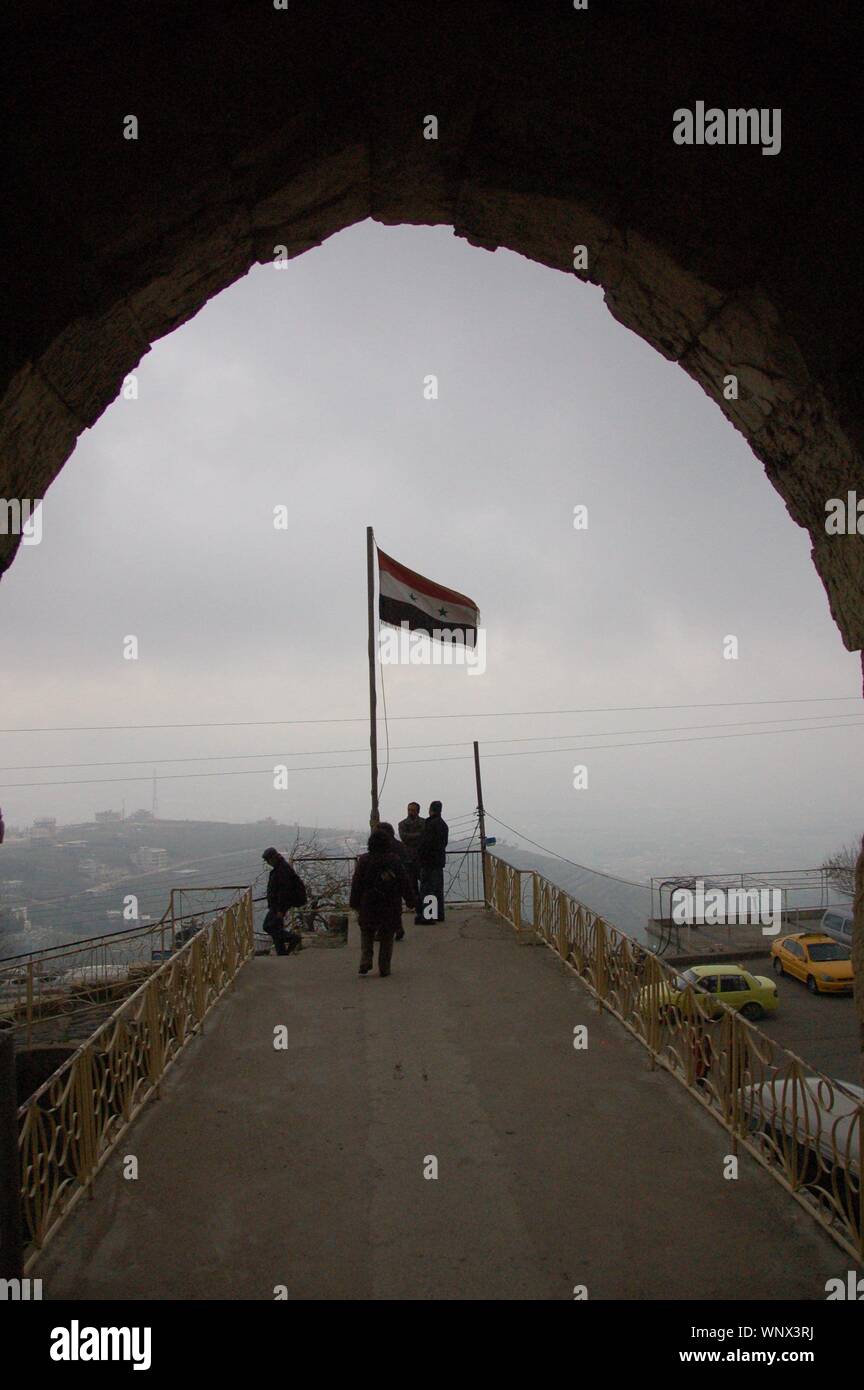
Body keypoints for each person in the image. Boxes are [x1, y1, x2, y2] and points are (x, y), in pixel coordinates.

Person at [349, 827, 415, 976]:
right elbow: (404, 882)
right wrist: (411, 900)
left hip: (368, 902)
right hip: (390, 902)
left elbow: (357, 883)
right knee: (387, 935)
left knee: (367, 930)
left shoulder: (364, 860)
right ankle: (384, 967)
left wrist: (354, 903)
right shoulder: (394, 860)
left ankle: (366, 958)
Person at [261, 847, 306, 956]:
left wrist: (280, 909)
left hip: (278, 906)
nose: (267, 863)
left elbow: (284, 891)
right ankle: (282, 953)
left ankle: (293, 938)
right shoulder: (281, 867)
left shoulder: (282, 869)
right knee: (277, 927)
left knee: (268, 926)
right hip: (277, 905)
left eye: (268, 860)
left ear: (273, 858)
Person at [417, 800, 449, 923]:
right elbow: (443, 843)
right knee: (437, 889)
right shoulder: (443, 825)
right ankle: (438, 914)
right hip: (438, 861)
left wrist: (420, 855)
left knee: (427, 888)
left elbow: (425, 843)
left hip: (428, 861)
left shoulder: (430, 824)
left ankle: (428, 915)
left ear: (431, 809)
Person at [378, 823, 410, 940]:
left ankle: (383, 931)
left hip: (384, 882)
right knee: (395, 907)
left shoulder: (383, 847)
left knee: (383, 907)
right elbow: (405, 863)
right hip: (398, 881)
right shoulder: (400, 845)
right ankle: (398, 927)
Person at [398, 802, 425, 924]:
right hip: (408, 859)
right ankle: (417, 909)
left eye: (413, 810)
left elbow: (423, 837)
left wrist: (412, 837)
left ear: (418, 811)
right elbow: (404, 837)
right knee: (412, 885)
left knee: (425, 885)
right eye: (409, 810)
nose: (410, 812)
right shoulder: (402, 824)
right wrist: (418, 836)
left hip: (421, 858)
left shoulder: (424, 823)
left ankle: (425, 909)